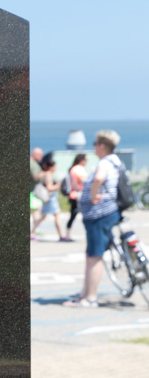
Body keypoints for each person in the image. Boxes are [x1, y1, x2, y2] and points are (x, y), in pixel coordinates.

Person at [63, 130, 123, 307]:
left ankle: (90, 298)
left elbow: (98, 178)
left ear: (102, 146)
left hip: (100, 214)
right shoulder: (116, 161)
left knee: (95, 256)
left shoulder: (105, 162)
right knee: (91, 255)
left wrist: (92, 195)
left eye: (95, 144)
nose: (94, 148)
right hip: (106, 212)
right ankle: (84, 294)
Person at [33, 153, 67, 241]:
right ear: (51, 167)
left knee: (44, 216)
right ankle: (61, 235)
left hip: (49, 199)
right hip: (51, 199)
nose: (56, 168)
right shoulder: (48, 175)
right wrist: (59, 185)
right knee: (56, 216)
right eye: (55, 166)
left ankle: (32, 232)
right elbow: (49, 188)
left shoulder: (46, 174)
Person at [65, 153, 88, 240]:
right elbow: (84, 181)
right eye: (86, 160)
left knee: (72, 216)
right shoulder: (78, 169)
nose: (86, 162)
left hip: (73, 194)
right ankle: (68, 235)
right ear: (81, 160)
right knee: (85, 215)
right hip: (78, 195)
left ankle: (67, 234)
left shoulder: (73, 168)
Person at [30, 147, 45, 237]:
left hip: (32, 191)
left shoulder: (32, 163)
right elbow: (35, 177)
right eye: (40, 155)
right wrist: (44, 173)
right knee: (36, 210)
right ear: (35, 155)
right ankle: (34, 231)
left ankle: (35, 230)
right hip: (32, 191)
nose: (41, 157)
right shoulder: (32, 164)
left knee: (36, 210)